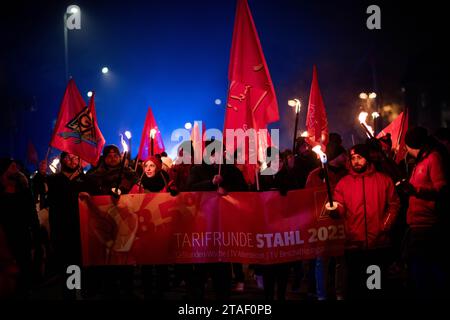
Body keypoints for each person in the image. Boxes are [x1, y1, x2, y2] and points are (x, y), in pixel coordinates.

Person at [330, 144, 400, 299]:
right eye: (353, 158)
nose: (356, 162)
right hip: (354, 244)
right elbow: (340, 205)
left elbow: (394, 205)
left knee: (374, 286)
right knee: (356, 285)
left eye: (359, 158)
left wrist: (385, 226)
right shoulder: (344, 183)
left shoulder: (384, 180)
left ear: (367, 159)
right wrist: (335, 210)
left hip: (378, 244)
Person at [402, 127, 449, 298]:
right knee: (419, 269)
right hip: (417, 224)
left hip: (429, 225)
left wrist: (415, 189)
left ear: (412, 145)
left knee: (430, 268)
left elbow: (442, 189)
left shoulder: (433, 158)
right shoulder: (420, 162)